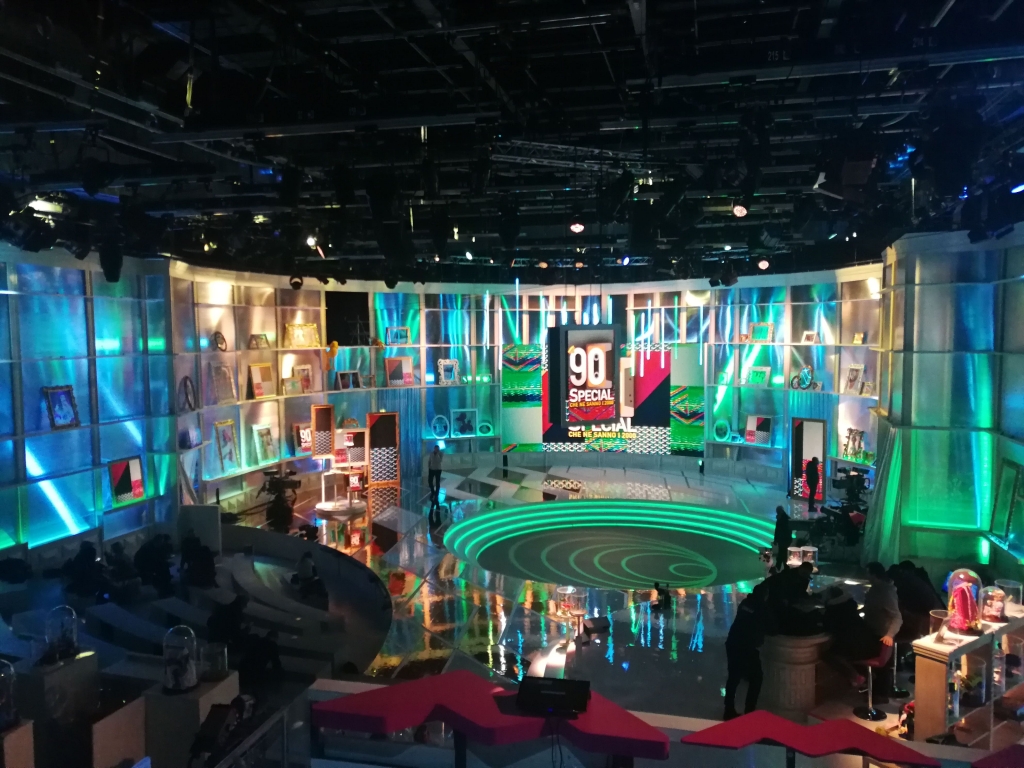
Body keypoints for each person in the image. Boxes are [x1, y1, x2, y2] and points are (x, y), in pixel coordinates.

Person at [724, 583, 767, 720]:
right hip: (746, 646)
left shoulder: (746, 603)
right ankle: (750, 710)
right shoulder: (760, 607)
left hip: (733, 643)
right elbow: (769, 627)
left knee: (733, 678)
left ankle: (729, 709)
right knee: (756, 678)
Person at [862, 561, 903, 701]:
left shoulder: (885, 592)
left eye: (868, 573)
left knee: (881, 668)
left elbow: (897, 617)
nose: (866, 576)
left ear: (874, 574)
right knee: (882, 668)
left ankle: (880, 695)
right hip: (875, 632)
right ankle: (876, 691)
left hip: (881, 634)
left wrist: (889, 635)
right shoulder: (878, 588)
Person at [427, 444, 444, 525]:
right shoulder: (431, 453)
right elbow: (429, 460)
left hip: (438, 469)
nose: (436, 450)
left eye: (437, 449)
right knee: (430, 481)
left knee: (437, 482)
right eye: (435, 449)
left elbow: (439, 460)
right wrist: (429, 466)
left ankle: (436, 494)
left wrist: (437, 454)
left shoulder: (440, 454)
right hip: (431, 469)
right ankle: (432, 492)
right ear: (434, 448)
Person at [773, 506, 792, 571]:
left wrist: (776, 539)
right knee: (783, 553)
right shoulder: (786, 518)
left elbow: (777, 530)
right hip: (786, 539)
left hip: (783, 539)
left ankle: (779, 567)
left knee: (782, 553)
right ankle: (784, 568)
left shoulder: (781, 519)